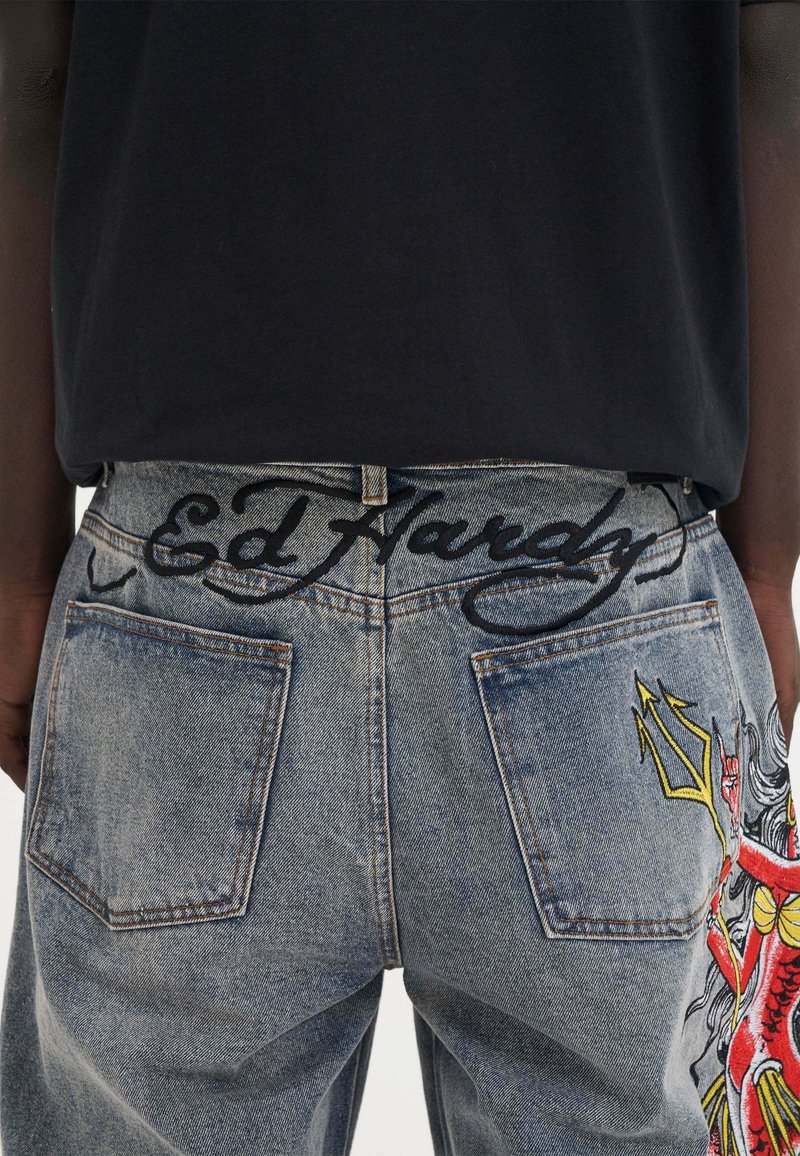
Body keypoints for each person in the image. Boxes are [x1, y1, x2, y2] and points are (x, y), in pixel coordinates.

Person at [0, 1, 799, 1153]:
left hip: (186, 577)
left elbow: (29, 69)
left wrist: (21, 564)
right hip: (603, 583)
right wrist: (766, 557)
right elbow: (773, 59)